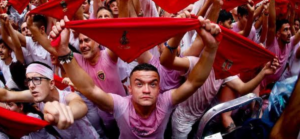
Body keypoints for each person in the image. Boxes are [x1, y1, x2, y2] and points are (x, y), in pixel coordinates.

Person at [49, 11, 222, 138]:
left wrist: (212, 49)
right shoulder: (121, 105)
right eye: (139, 84)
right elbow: (90, 89)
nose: (146, 89)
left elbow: (194, 82)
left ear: (159, 88)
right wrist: (64, 51)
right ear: (129, 89)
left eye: (152, 84)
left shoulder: (165, 101)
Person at [0, 62, 99, 139]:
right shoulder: (37, 96)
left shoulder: (68, 96)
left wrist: (66, 112)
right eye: (29, 80)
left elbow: (80, 105)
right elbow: (7, 95)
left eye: (36, 79)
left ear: (51, 83)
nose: (31, 85)